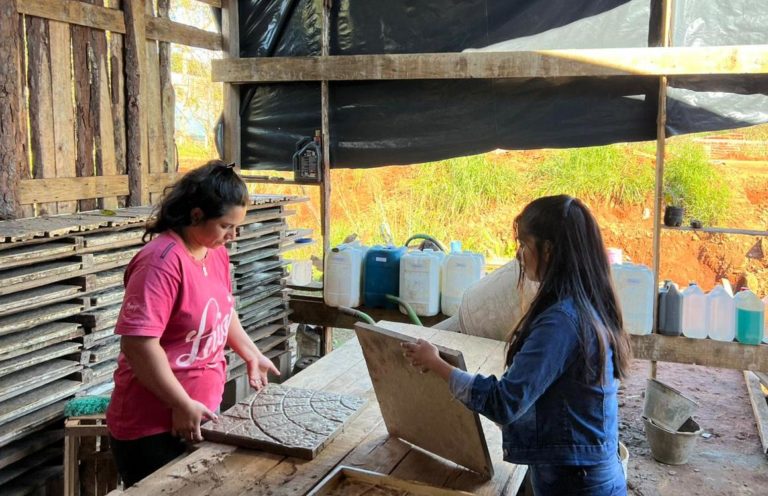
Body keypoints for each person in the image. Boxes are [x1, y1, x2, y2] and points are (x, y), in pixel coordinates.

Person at [402, 195, 631, 495]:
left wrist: (436, 364)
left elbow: (505, 402)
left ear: (548, 250)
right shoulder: (586, 305)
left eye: (524, 245)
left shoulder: (562, 322)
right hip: (582, 472)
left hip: (576, 483)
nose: (519, 255)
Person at [106, 160, 279, 487]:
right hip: (152, 426)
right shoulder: (161, 263)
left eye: (237, 226)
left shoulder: (215, 253)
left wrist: (251, 353)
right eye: (226, 226)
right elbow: (138, 345)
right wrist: (180, 403)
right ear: (196, 215)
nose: (233, 235)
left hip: (197, 412)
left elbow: (222, 312)